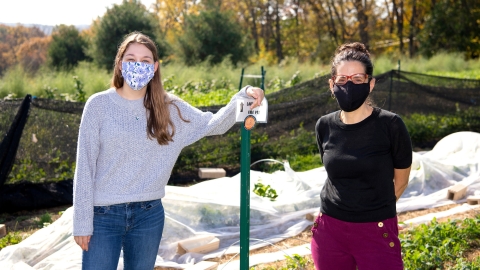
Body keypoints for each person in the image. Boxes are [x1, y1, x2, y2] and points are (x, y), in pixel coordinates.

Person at [72, 31, 264, 270]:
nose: (137, 66)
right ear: (120, 65)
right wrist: (81, 222)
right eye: (131, 59)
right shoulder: (98, 105)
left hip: (148, 214)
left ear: (154, 68)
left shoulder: (169, 107)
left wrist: (243, 95)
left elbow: (213, 125)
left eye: (144, 61)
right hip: (102, 215)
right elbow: (85, 166)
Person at [311, 42, 412, 270]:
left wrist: (369, 208)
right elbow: (334, 173)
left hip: (375, 230)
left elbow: (402, 180)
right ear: (331, 84)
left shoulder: (390, 125)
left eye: (357, 79)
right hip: (329, 229)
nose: (349, 85)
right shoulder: (324, 125)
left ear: (371, 83)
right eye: (342, 80)